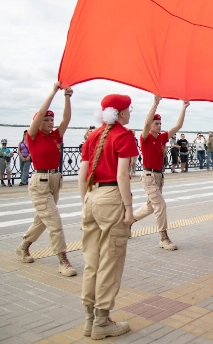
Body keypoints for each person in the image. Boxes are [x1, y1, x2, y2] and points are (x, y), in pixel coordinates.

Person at [79, 93, 138, 340]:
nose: (130, 113)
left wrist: (85, 200)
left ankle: (89, 320)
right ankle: (102, 323)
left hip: (91, 197)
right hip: (112, 197)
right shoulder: (124, 136)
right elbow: (122, 176)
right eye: (128, 109)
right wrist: (128, 208)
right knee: (110, 260)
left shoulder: (92, 136)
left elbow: (83, 174)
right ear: (121, 113)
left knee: (91, 261)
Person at [15, 82, 76, 278]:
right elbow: (40, 113)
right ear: (39, 122)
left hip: (55, 179)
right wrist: (54, 91)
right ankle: (62, 259)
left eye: (52, 119)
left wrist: (67, 97)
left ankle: (23, 246)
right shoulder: (32, 136)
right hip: (40, 180)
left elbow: (66, 118)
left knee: (43, 219)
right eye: (47, 120)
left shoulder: (55, 136)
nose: (51, 122)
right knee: (54, 221)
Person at [132, 95, 189, 250]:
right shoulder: (145, 138)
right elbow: (145, 123)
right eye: (156, 123)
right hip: (148, 175)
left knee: (151, 206)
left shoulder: (162, 138)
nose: (159, 126)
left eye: (160, 124)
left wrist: (184, 107)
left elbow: (178, 126)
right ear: (150, 125)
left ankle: (129, 220)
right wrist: (155, 103)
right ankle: (163, 237)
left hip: (159, 176)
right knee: (161, 205)